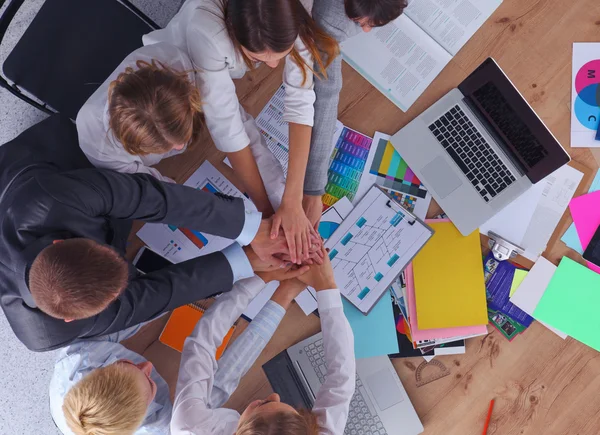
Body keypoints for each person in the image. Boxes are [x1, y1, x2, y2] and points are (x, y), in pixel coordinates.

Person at [0, 115, 294, 352]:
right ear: (70, 318)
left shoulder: (51, 199)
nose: (126, 283)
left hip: (44, 165)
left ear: (61, 242)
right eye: (116, 293)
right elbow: (151, 299)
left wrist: (250, 228)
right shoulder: (45, 332)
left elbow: (149, 198)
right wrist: (244, 262)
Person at [143, 0, 339, 264]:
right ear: (233, 32)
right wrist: (267, 214)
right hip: (171, 82)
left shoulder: (292, 9)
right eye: (260, 58)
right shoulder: (207, 32)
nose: (272, 67)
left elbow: (301, 99)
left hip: (218, 79)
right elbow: (228, 127)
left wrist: (292, 200)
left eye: (282, 53)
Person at [49, 267, 306, 435]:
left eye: (126, 364)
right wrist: (279, 292)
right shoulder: (168, 427)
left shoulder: (78, 358)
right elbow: (219, 380)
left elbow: (128, 317)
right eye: (150, 384)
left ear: (99, 370)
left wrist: (178, 292)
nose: (148, 366)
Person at [170, 246, 355, 435]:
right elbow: (342, 377)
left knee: (212, 386)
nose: (275, 395)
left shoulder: (189, 426)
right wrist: (326, 286)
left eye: (264, 403)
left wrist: (261, 277)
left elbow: (203, 342)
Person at [305, 0, 408, 225]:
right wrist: (313, 190)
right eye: (360, 21)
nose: (366, 30)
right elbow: (326, 93)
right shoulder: (331, 20)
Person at [76, 42, 203, 183]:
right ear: (134, 146)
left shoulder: (173, 60)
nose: (180, 146)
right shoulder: (97, 144)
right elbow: (145, 183)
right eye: (172, 145)